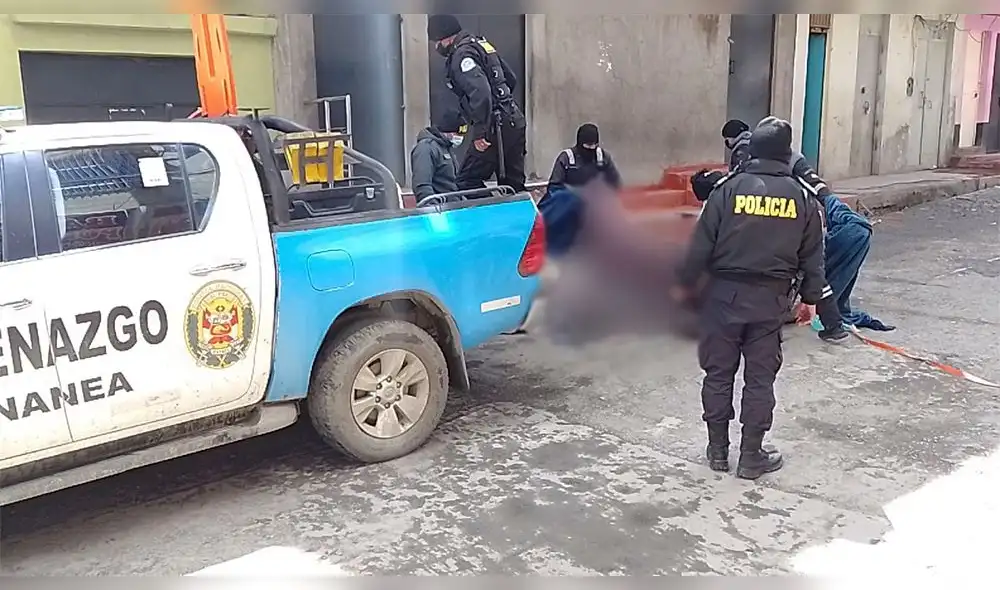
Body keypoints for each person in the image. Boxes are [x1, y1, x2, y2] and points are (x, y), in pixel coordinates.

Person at [673, 117, 849, 481]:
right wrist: (816, 301)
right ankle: (751, 455)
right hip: (769, 304)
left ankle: (718, 451)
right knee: (760, 379)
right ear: (787, 153)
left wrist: (686, 288)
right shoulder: (803, 198)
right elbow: (813, 261)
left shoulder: (726, 190)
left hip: (721, 298)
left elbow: (699, 247)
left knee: (718, 373)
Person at [787, 151, 895, 331]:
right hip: (778, 292)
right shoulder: (743, 186)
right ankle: (827, 306)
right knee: (854, 231)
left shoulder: (735, 187)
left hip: (747, 297)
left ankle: (822, 304)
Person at [427, 14, 527, 193]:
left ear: (446, 37)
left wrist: (481, 132)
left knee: (466, 181)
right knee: (513, 185)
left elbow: (481, 93)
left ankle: (490, 213)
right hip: (514, 120)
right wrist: (502, 105)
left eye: (437, 42)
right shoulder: (481, 45)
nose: (436, 47)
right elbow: (510, 79)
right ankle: (520, 218)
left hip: (494, 128)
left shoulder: (461, 56)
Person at [545, 123, 623, 197]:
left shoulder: (603, 158)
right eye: (587, 145)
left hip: (597, 204)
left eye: (593, 145)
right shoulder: (566, 158)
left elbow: (616, 184)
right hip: (569, 205)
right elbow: (553, 189)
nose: (590, 149)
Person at [410, 110, 464, 203]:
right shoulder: (426, 148)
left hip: (454, 207)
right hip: (440, 209)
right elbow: (422, 185)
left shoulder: (446, 147)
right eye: (457, 134)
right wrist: (433, 209)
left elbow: (453, 183)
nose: (460, 137)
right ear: (447, 131)